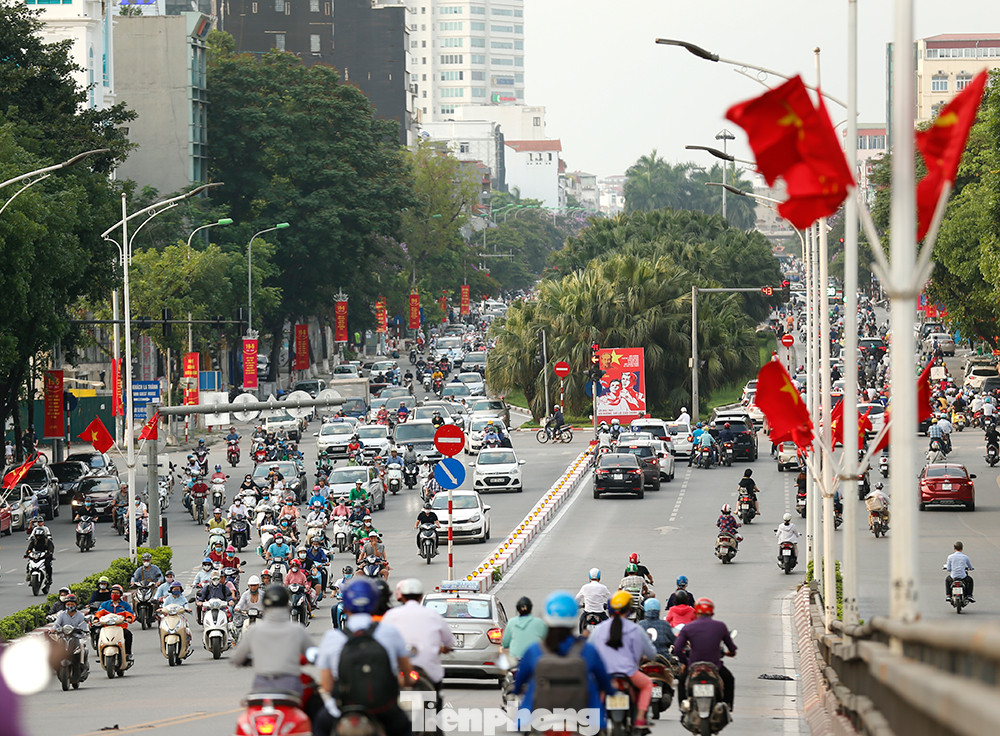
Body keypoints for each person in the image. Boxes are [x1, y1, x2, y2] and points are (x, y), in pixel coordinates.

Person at [313, 577, 413, 736]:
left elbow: (327, 685)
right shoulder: (390, 632)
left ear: (346, 605)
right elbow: (407, 674)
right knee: (406, 728)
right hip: (384, 710)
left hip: (341, 711)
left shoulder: (332, 638)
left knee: (319, 725)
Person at [511, 591, 613, 733]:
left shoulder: (535, 650)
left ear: (546, 618)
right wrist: (611, 691)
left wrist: (515, 690)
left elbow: (520, 680)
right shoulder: (587, 650)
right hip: (584, 715)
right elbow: (603, 680)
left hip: (538, 715)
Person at [381, 578, 454, 712]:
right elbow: (449, 641)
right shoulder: (433, 615)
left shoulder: (391, 615)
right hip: (428, 671)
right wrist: (445, 648)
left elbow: (381, 639)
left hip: (397, 671)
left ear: (401, 596)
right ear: (421, 596)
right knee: (435, 703)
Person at [589, 591, 656, 729]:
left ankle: (595, 719)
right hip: (630, 673)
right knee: (647, 685)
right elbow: (651, 654)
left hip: (605, 675)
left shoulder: (598, 629)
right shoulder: (636, 629)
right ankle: (640, 718)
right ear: (629, 609)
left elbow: (589, 651)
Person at [232, 584, 314, 695]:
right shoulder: (297, 630)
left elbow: (237, 658)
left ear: (265, 604)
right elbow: (314, 653)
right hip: (290, 686)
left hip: (262, 687)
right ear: (286, 604)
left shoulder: (254, 631)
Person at [673, 598, 737, 712]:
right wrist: (731, 652)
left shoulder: (688, 627)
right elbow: (731, 648)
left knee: (682, 681)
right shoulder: (720, 626)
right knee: (729, 679)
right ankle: (727, 705)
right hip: (715, 666)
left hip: (693, 666)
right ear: (711, 612)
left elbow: (677, 649)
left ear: (696, 612)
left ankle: (683, 708)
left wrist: (685, 663)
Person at [95, 585, 136, 663]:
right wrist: (96, 618)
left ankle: (128, 654)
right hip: (107, 627)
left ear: (120, 595)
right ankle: (99, 655)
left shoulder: (125, 605)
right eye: (113, 593)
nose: (114, 595)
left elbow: (130, 613)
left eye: (116, 593)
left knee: (128, 635)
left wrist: (129, 618)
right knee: (98, 635)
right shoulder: (105, 605)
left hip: (120, 627)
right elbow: (99, 613)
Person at [501, 596, 548, 662]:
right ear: (531, 608)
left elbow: (505, 643)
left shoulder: (511, 622)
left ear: (517, 609)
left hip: (515, 659)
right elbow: (548, 640)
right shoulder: (539, 622)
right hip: (534, 659)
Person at [25, 526, 55, 593]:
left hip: (45, 556)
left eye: (39, 536)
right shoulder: (34, 541)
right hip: (36, 555)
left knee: (48, 565)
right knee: (29, 564)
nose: (38, 537)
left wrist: (50, 553)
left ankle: (49, 578)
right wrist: (28, 553)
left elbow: (51, 548)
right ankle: (29, 575)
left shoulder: (47, 541)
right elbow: (29, 548)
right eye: (37, 536)